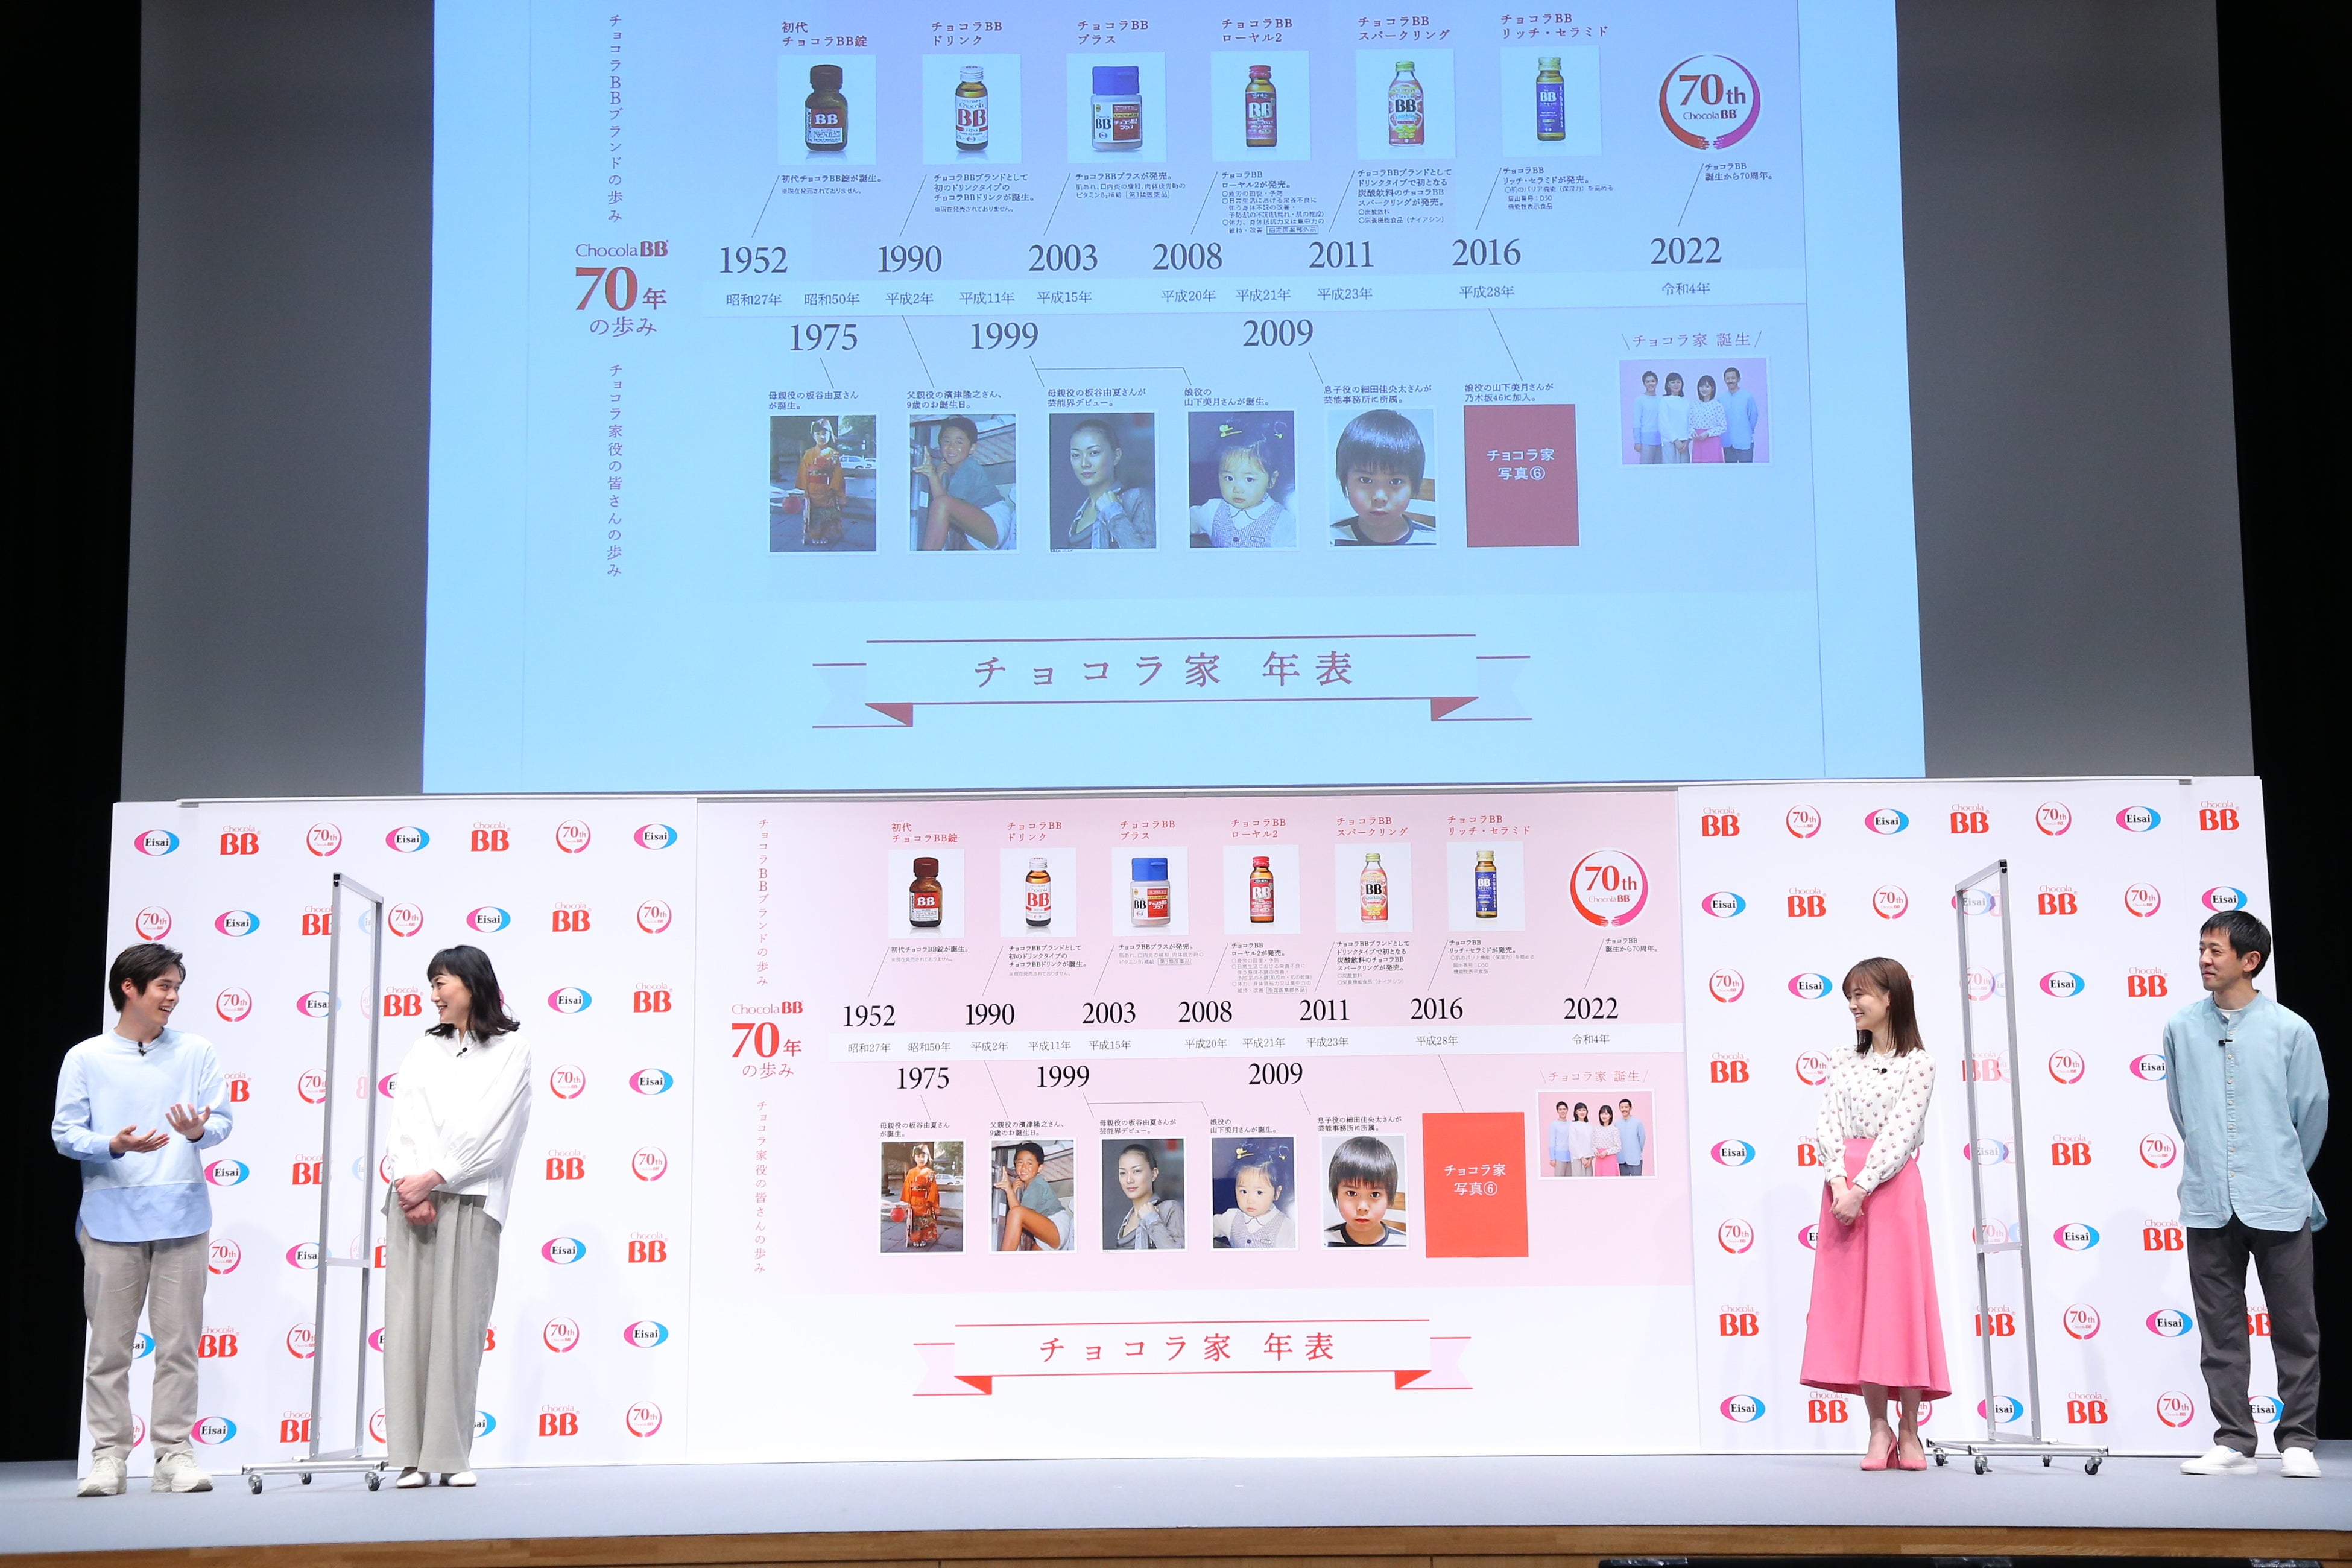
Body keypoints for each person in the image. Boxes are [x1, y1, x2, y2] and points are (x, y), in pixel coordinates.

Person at [54, 943, 232, 1497]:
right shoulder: (86, 1057)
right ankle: (109, 1457)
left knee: (179, 1347)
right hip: (110, 1218)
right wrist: (114, 1143)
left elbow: (221, 1122)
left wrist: (198, 1131)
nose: (173, 997)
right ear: (129, 988)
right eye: (164, 987)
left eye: (177, 987)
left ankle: (174, 1454)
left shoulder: (197, 1051)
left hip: (182, 1217)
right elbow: (65, 1134)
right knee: (109, 1349)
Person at [2166, 910, 2327, 1479]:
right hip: (2208, 1197)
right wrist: (2213, 1160)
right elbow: (2182, 1109)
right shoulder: (2181, 1026)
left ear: (2250, 960)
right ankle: (2234, 1439)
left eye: (2216, 951)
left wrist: (2282, 1169)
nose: (2204, 960)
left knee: (2295, 1325)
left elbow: (2311, 1112)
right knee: (2221, 1328)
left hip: (2278, 1195)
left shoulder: (2291, 1030)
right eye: (2202, 949)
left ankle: (2299, 1439)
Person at [382, 945, 532, 1488]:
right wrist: (411, 1184)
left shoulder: (512, 1050)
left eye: (441, 982)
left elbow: (493, 1129)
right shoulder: (425, 1048)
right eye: (432, 984)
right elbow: (404, 1122)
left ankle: (450, 1457)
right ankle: (409, 1457)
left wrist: (436, 1176)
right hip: (412, 1202)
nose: (434, 995)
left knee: (458, 1332)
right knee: (407, 1331)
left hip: (471, 1201)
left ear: (472, 984)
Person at [1800, 957, 1949, 1471]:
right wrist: (1839, 1182)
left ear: (1891, 998)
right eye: (1850, 995)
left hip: (1890, 1189)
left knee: (1898, 1306)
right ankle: (1878, 1429)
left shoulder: (1919, 1063)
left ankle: (1910, 1430)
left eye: (1861, 994)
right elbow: (1828, 1122)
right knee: (1860, 1308)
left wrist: (1862, 1186)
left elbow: (1903, 1132)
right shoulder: (1843, 1059)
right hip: (1843, 1192)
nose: (1853, 1004)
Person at [1329, 409, 1435, 545]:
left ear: (1414, 485)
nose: (1380, 497)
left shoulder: (1433, 541)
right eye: (1365, 480)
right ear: (1345, 481)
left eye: (1395, 481)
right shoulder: (1329, 540)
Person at [1190, 416, 1295, 548]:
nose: (1237, 489)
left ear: (1272, 479)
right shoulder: (1213, 509)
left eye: (1249, 479)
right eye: (1229, 478)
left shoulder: (1283, 521)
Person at [915, 414, 1015, 551]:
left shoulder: (968, 468)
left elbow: (943, 505)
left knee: (942, 504)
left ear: (972, 449)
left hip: (993, 518)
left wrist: (932, 475)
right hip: (978, 529)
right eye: (947, 441)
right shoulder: (953, 469)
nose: (951, 447)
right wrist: (938, 476)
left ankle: (924, 561)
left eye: (959, 443)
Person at [1061, 417, 1154, 549]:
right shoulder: (1080, 512)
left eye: (1094, 453)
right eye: (1076, 455)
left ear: (1116, 456)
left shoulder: (1136, 498)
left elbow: (1146, 556)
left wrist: (1113, 512)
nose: (1084, 464)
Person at [996, 1141, 1074, 1251]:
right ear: (1015, 1164)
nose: (1024, 1167)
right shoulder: (1026, 1186)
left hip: (1056, 1225)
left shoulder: (1037, 1184)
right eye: (1020, 1162)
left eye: (1030, 1163)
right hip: (1045, 1234)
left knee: (1016, 1213)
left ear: (1039, 1168)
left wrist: (1009, 1190)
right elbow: (1020, 1213)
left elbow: (1017, 1213)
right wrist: (1013, 1191)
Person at [1212, 1145, 1295, 1248]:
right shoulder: (1231, 1217)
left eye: (1259, 1193)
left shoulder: (1286, 1228)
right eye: (1244, 1191)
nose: (1250, 1201)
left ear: (1277, 1193)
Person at [1324, 1136, 1400, 1245]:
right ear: (1336, 1193)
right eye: (1352, 1193)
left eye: (1375, 1194)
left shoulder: (1406, 1243)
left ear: (1389, 1197)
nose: (1363, 1208)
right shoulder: (1323, 1242)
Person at [1109, 1142, 1184, 1248]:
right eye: (1123, 1173)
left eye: (1137, 1171)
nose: (1129, 1180)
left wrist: (1152, 1219)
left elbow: (1178, 1255)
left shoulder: (1170, 1208)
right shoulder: (1127, 1219)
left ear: (1154, 1174)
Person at [797, 417, 845, 545]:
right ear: (813, 436)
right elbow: (803, 472)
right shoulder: (808, 454)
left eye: (825, 433)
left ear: (831, 434)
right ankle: (815, 536)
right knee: (813, 515)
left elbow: (838, 474)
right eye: (818, 434)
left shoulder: (834, 454)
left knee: (826, 515)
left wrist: (834, 489)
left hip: (827, 490)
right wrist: (805, 490)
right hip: (812, 489)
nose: (822, 437)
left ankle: (824, 535)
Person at [900, 1145, 941, 1250]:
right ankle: (916, 1239)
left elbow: (934, 1189)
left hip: (926, 1201)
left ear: (928, 1157)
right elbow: (907, 1188)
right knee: (915, 1222)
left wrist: (930, 1201)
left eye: (923, 1156)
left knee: (924, 1222)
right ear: (914, 1158)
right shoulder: (911, 1172)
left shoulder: (930, 1173)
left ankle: (923, 1238)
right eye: (918, 1156)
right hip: (914, 1201)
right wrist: (909, 1202)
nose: (921, 1159)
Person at [1721, 366, 1760, 462]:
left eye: (1733, 378)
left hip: (1744, 441)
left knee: (1747, 469)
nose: (1730, 381)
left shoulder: (1747, 396)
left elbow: (1753, 416)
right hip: (1727, 443)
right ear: (1724, 380)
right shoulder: (1721, 398)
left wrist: (1747, 431)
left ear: (1739, 379)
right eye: (1728, 379)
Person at [1690, 375, 1725, 463]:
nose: (1704, 389)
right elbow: (1690, 424)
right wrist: (1693, 432)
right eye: (1701, 386)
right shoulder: (1694, 405)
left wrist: (1708, 433)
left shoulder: (1717, 405)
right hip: (1698, 441)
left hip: (1712, 441)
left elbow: (1723, 427)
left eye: (1707, 387)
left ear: (1712, 388)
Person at [1658, 372, 1692, 463]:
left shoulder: (1686, 401)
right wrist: (1675, 440)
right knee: (1670, 469)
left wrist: (1688, 441)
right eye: (1673, 382)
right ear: (1668, 385)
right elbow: (1663, 422)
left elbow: (1690, 422)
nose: (1676, 385)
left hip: (1684, 443)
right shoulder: (1665, 400)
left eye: (1678, 382)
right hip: (1669, 441)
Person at [1632, 370, 1663, 463]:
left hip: (1661, 439)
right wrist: (1637, 441)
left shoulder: (1662, 400)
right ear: (1644, 383)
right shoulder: (1640, 400)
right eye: (1648, 382)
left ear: (1657, 382)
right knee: (1646, 466)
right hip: (1646, 439)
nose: (1651, 384)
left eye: (1653, 381)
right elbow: (1637, 421)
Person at [1561, 1100, 1596, 1177]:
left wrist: (1591, 1158)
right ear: (1576, 1112)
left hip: (1589, 1159)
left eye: (1584, 1110)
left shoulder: (1590, 1126)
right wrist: (1582, 1157)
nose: (1582, 1112)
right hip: (1577, 1158)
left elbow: (1593, 1142)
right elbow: (1572, 1143)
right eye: (1580, 1110)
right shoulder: (1573, 1125)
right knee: (1578, 1180)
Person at [1617, 1098, 1648, 1177]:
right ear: (1620, 1109)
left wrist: (1638, 1150)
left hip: (1635, 1158)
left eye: (1626, 1107)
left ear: (1630, 1108)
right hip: (1622, 1159)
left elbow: (1642, 1138)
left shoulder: (1637, 1123)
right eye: (1622, 1107)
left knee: (1637, 1182)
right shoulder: (1617, 1124)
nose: (1624, 1109)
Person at [1546, 1099, 1576, 1177]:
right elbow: (1552, 1142)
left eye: (1564, 1109)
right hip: (1559, 1157)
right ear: (1557, 1111)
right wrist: (1552, 1158)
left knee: (1570, 1180)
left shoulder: (1571, 1124)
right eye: (1560, 1110)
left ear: (1567, 1110)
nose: (1563, 1111)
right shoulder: (1554, 1124)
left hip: (1571, 1156)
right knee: (1559, 1179)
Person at [1593, 1103, 1622, 1177]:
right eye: (1602, 1114)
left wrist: (1607, 1152)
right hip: (1599, 1159)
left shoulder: (1614, 1129)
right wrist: (1595, 1151)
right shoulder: (1596, 1129)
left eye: (1606, 1114)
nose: (1604, 1116)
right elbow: (1593, 1144)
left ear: (1610, 1115)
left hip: (1610, 1159)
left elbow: (1618, 1147)